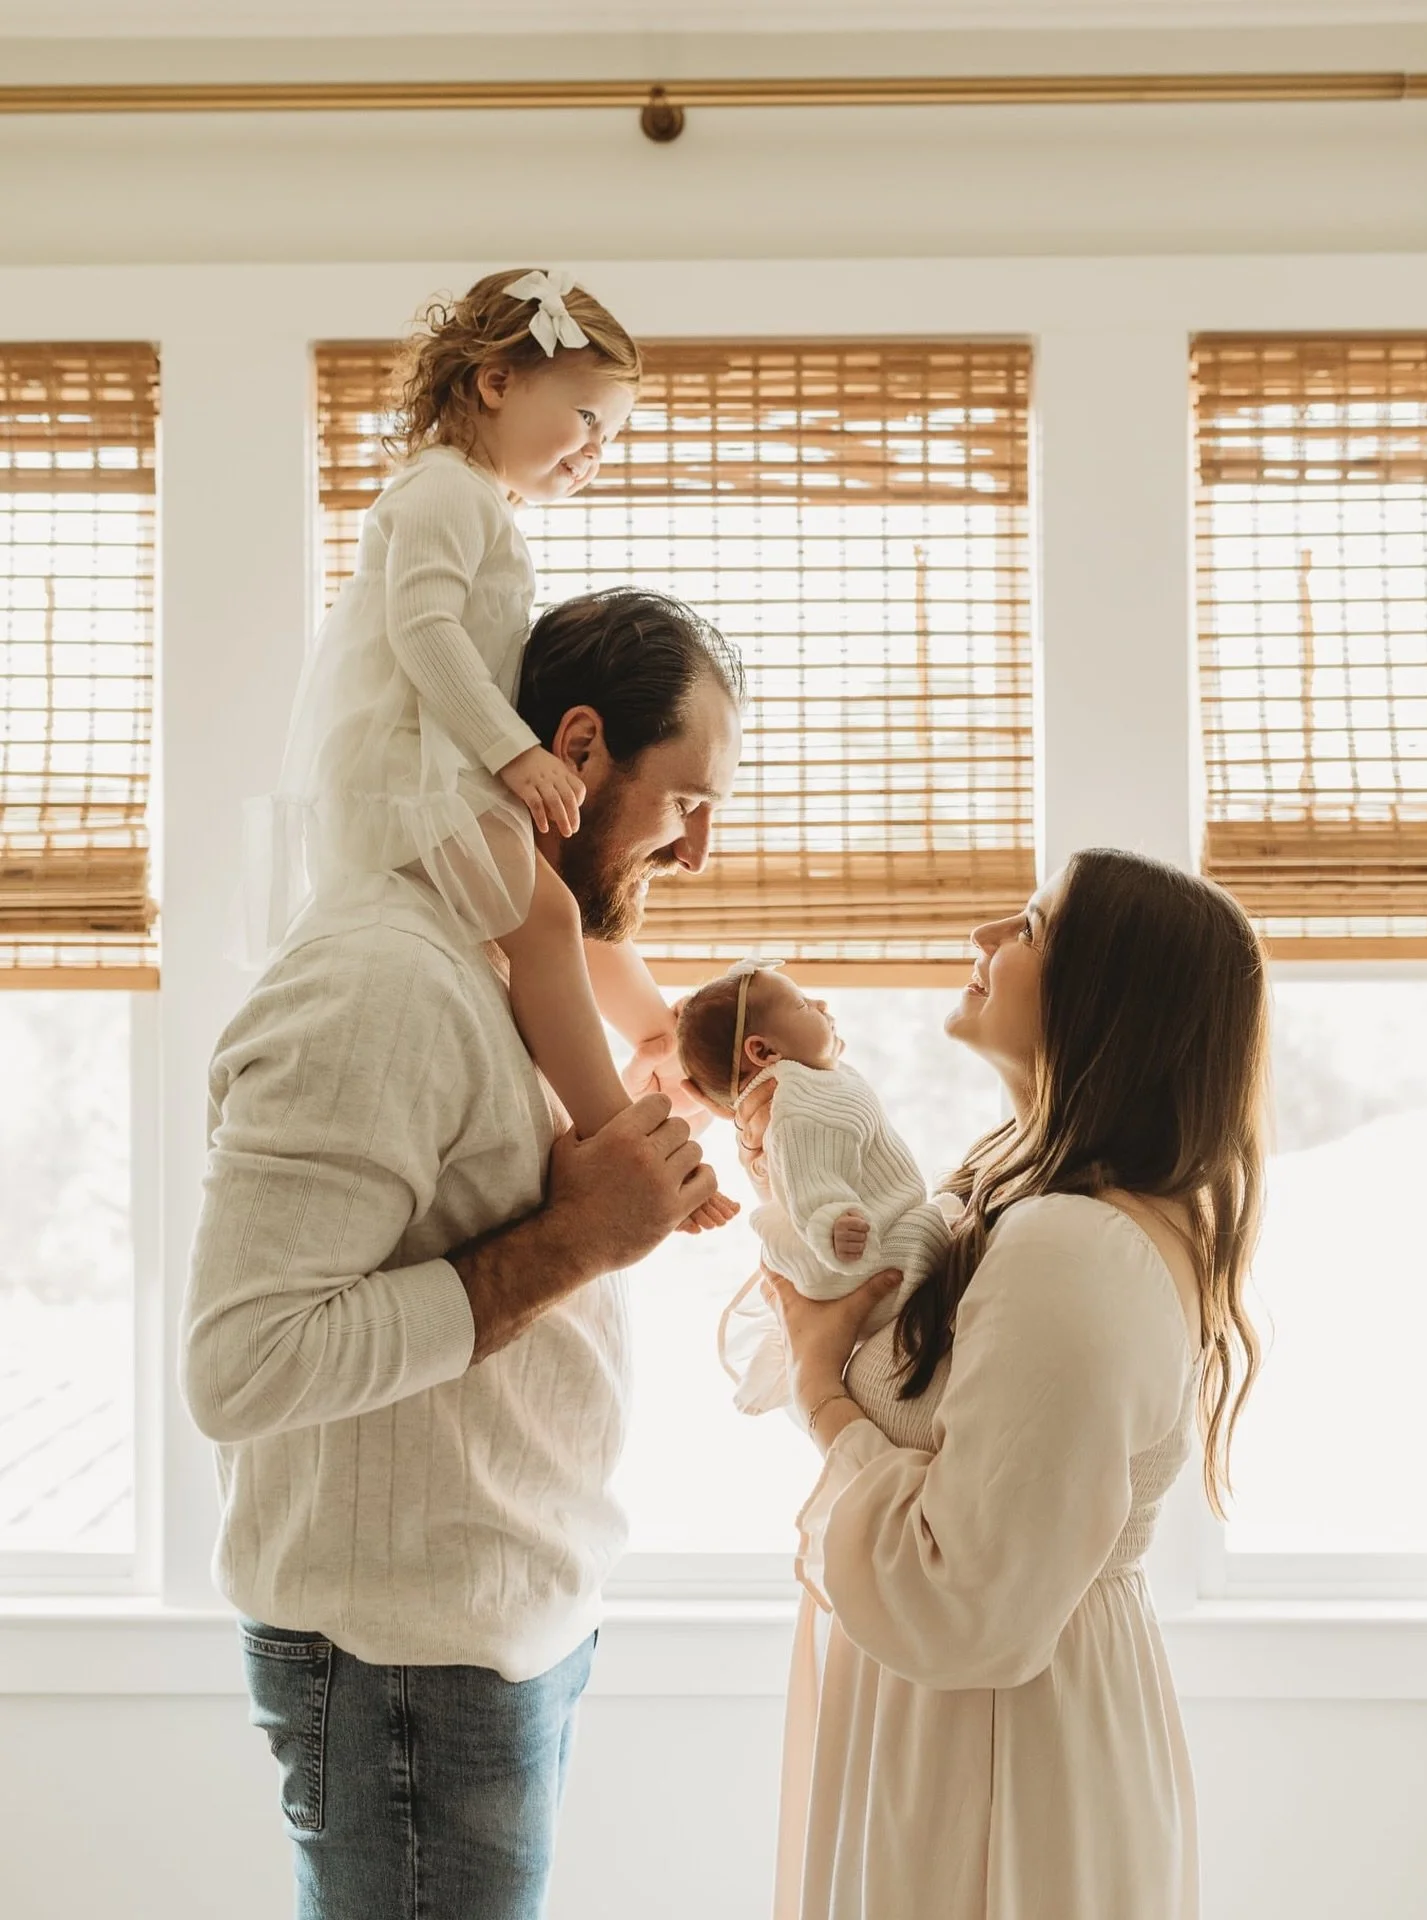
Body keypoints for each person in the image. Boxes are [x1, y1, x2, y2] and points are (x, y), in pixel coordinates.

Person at [182, 587, 745, 1920]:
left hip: (492, 1635)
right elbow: (243, 1366)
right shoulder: (383, 983)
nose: (697, 851)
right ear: (581, 748)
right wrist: (578, 1240)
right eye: (683, 801)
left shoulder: (513, 958)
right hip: (405, 1675)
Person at [752, 848, 1268, 1920]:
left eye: (1030, 927)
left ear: (1107, 1000)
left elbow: (966, 1595)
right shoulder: (1014, 1205)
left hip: (1000, 1745)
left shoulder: (1076, 1250)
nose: (984, 935)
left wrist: (822, 1397)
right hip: (972, 1719)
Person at [255, 267, 722, 1203]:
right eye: (587, 419)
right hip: (406, 771)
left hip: (438, 767)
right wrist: (513, 750)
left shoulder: (481, 506)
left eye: (611, 437)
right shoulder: (443, 491)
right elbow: (422, 629)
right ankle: (619, 1134)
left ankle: (648, 1041)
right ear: (497, 382)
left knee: (548, 902)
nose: (594, 453)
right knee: (545, 916)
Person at [676, 960, 952, 1414]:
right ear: (764, 1051)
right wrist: (831, 1222)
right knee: (932, 1232)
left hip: (854, 1235)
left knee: (937, 1220)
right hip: (846, 1254)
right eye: (803, 1005)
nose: (821, 1003)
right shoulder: (797, 1104)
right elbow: (809, 1178)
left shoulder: (808, 1084)